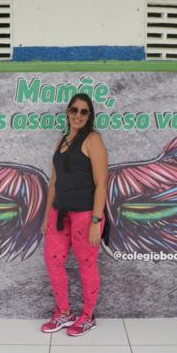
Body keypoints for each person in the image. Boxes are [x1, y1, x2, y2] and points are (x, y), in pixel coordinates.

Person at [40, 93, 108, 336]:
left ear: (90, 116)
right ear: (67, 112)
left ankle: (88, 316)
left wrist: (96, 221)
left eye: (84, 111)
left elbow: (101, 184)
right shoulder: (62, 140)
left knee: (87, 264)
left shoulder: (93, 139)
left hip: (86, 214)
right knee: (53, 261)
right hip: (59, 213)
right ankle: (64, 313)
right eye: (74, 110)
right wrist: (47, 216)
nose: (78, 115)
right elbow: (54, 182)